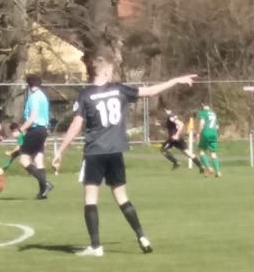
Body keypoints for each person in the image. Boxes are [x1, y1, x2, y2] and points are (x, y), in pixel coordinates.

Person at [52, 51, 196, 256]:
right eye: (111, 71)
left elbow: (76, 125)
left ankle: (95, 246)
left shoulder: (86, 95)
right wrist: (175, 80)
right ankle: (142, 236)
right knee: (121, 196)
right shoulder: (119, 89)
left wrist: (60, 150)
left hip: (95, 152)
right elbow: (150, 91)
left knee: (91, 198)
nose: (113, 74)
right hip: (115, 150)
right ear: (105, 72)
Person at [19, 74, 54, 199]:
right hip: (43, 129)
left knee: (23, 160)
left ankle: (46, 183)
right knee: (38, 160)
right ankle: (42, 192)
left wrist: (20, 129)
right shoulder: (43, 96)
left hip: (35, 130)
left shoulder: (33, 98)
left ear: (28, 84)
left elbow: (32, 118)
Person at [197, 104, 221, 177]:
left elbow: (202, 122)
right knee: (213, 153)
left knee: (201, 151)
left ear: (202, 105)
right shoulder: (213, 114)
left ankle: (208, 168)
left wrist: (198, 133)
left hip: (206, 132)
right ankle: (218, 172)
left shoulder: (203, 112)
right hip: (214, 133)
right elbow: (217, 126)